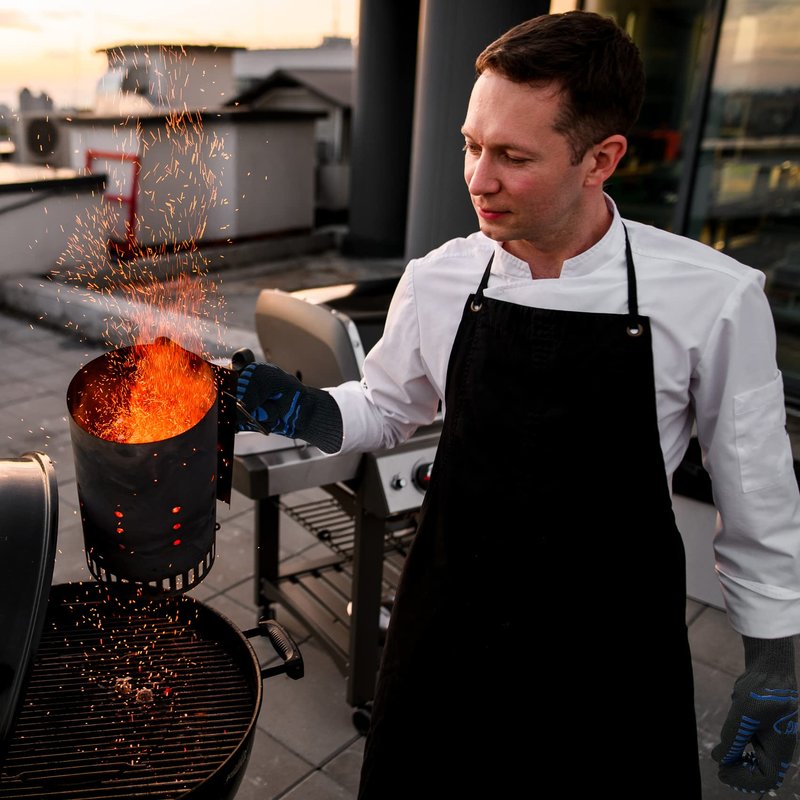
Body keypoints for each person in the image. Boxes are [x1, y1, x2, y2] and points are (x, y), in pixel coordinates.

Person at [235, 10, 800, 798]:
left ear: (601, 159)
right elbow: (387, 406)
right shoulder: (438, 278)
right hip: (449, 617)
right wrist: (301, 410)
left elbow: (757, 499)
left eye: (512, 156)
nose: (477, 178)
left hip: (613, 642)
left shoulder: (715, 298)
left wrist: (773, 663)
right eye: (471, 144)